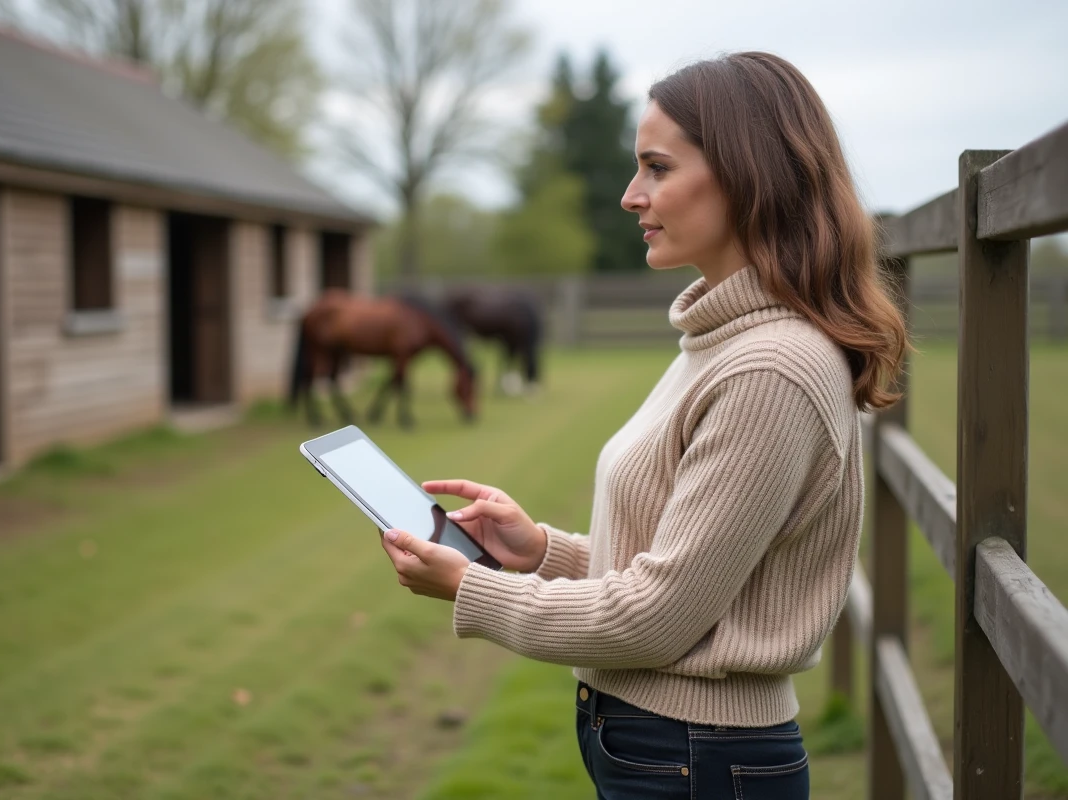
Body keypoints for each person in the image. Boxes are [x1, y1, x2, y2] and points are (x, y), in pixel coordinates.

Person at [379, 51, 908, 800]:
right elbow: (691, 567)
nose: (631, 196)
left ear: (749, 176)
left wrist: (473, 588)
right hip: (668, 746)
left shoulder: (769, 369)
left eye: (657, 168)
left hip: (696, 756)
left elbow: (657, 618)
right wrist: (542, 552)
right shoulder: (722, 340)